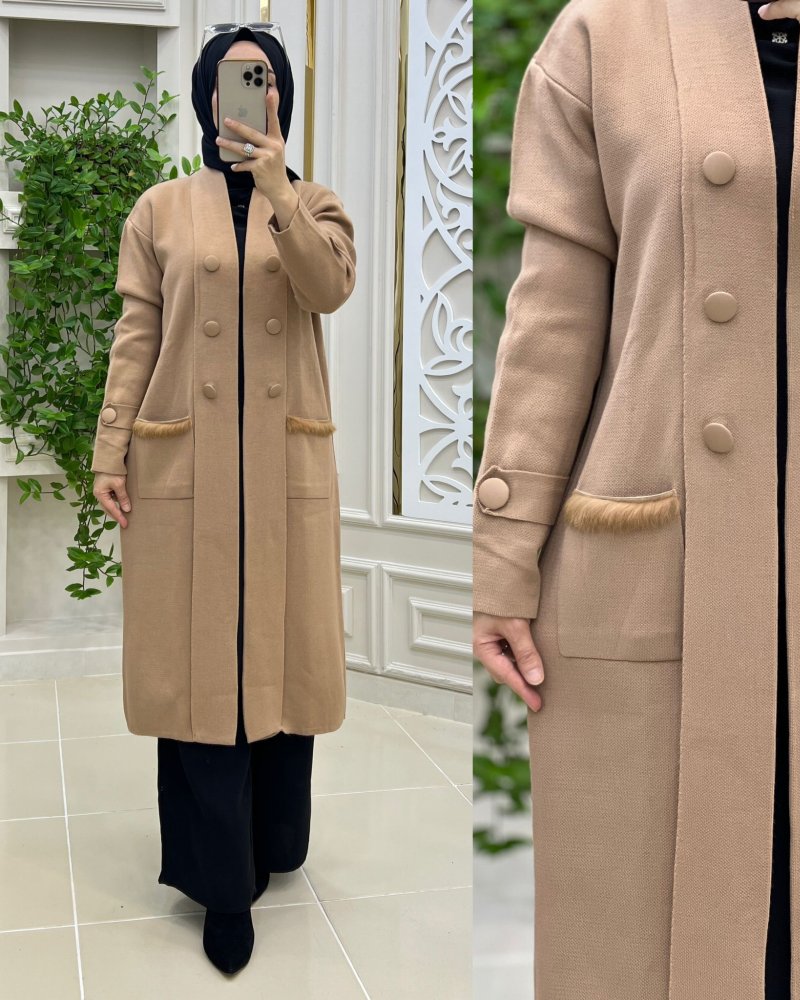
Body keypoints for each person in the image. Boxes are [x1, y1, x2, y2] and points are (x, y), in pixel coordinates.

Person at [472, 0, 800, 997]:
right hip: (662, 576)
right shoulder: (603, 32)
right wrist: (501, 553)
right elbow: (555, 308)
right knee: (669, 933)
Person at [90, 22, 357, 974]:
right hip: (183, 469)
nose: (250, 94)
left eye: (266, 79)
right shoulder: (159, 208)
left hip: (284, 473)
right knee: (200, 665)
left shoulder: (316, 202)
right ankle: (219, 883)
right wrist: (110, 447)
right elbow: (136, 332)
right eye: (235, 80)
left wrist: (279, 186)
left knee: (278, 652)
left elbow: (327, 291)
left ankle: (274, 841)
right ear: (208, 97)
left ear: (283, 95)